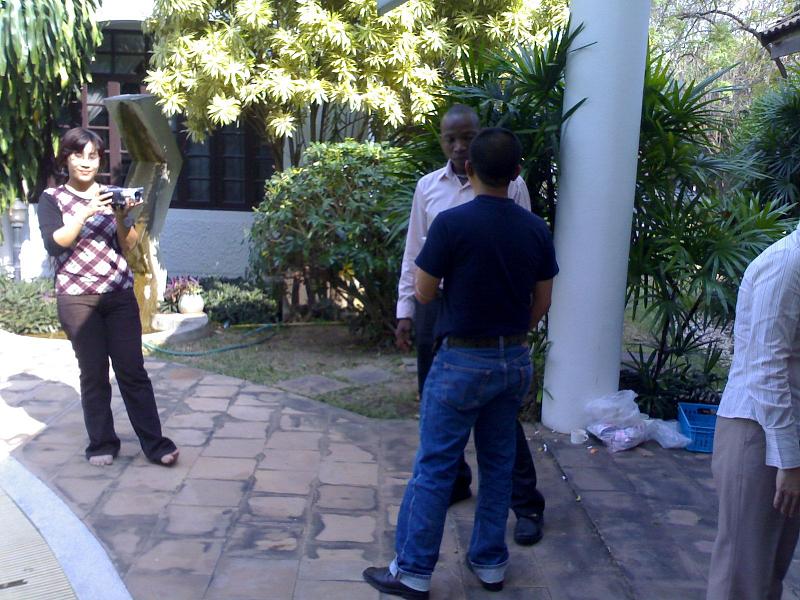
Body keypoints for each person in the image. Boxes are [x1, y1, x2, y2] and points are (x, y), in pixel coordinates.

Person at [364, 127, 558, 598]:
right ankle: (490, 562)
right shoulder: (536, 229)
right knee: (497, 462)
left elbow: (425, 289)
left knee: (434, 466)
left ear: (469, 168)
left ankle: (412, 572)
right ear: (516, 174)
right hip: (512, 360)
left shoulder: (452, 225)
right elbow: (543, 302)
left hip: (460, 362)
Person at [395, 104, 546, 546]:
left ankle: (527, 502)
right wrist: (407, 309)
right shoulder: (429, 189)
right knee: (438, 408)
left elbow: (521, 243)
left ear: (480, 140)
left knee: (501, 421)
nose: (460, 146)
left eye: (468, 137)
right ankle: (456, 483)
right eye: (451, 139)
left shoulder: (511, 187)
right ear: (441, 141)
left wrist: (517, 323)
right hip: (439, 308)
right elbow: (414, 253)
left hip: (490, 315)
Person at [37, 127, 179, 467]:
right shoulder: (52, 199)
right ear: (66, 159)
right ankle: (101, 443)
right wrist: (85, 212)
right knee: (94, 373)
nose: (86, 163)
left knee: (133, 371)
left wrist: (119, 215)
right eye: (78, 155)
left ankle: (155, 444)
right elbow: (55, 243)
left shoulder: (112, 194)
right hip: (77, 299)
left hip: (117, 295)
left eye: (93, 156)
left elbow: (128, 245)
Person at [707, 227, 800, 600]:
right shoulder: (788, 263)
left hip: (783, 431)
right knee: (742, 576)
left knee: (768, 572)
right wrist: (789, 462)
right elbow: (766, 368)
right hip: (757, 431)